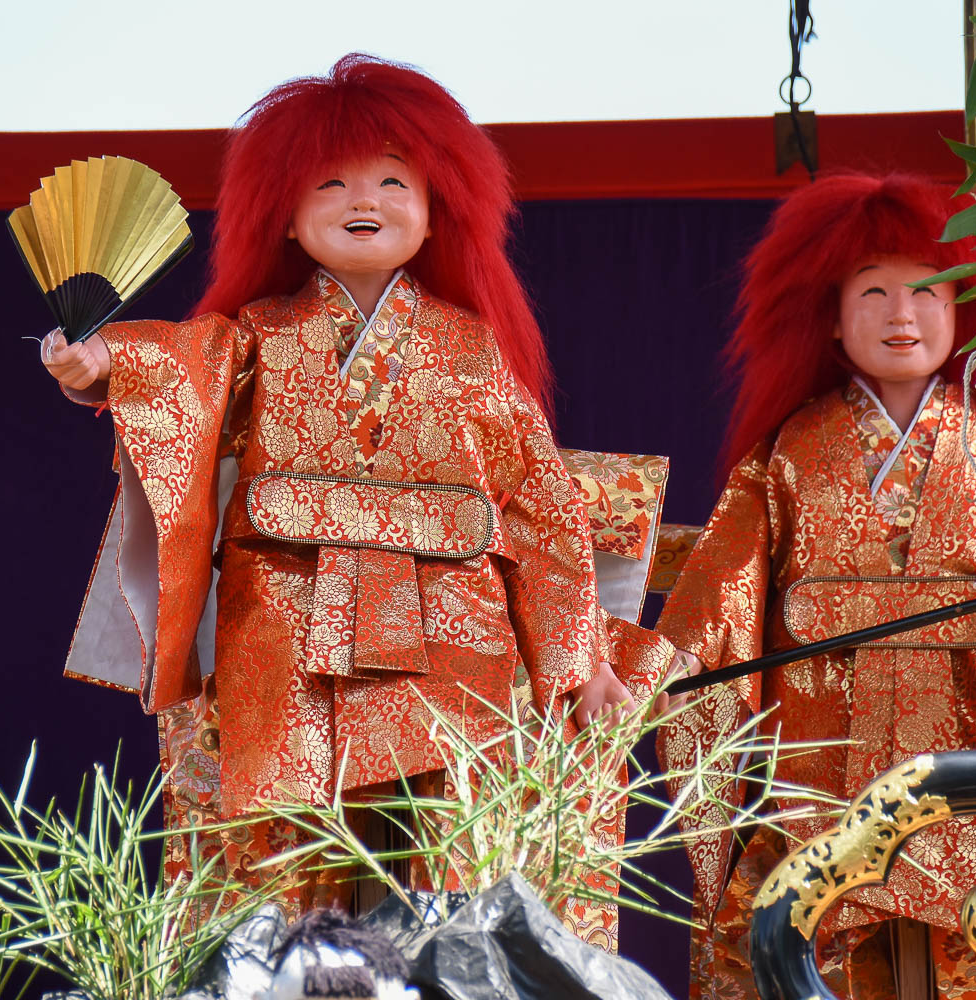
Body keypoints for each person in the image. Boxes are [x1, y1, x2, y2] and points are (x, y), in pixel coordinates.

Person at [40, 54, 632, 926]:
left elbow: (542, 510)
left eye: (396, 181)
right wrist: (102, 364)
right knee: (284, 879)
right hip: (287, 632)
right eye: (332, 182)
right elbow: (181, 372)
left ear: (437, 216)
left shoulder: (475, 351)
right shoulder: (255, 338)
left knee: (449, 867)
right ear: (283, 214)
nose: (366, 200)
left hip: (453, 645)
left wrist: (575, 657)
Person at [653, 173, 976, 1000]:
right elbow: (709, 623)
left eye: (929, 290)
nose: (902, 314)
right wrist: (622, 674)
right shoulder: (786, 459)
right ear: (827, 312)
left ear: (962, 305)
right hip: (821, 806)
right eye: (874, 291)